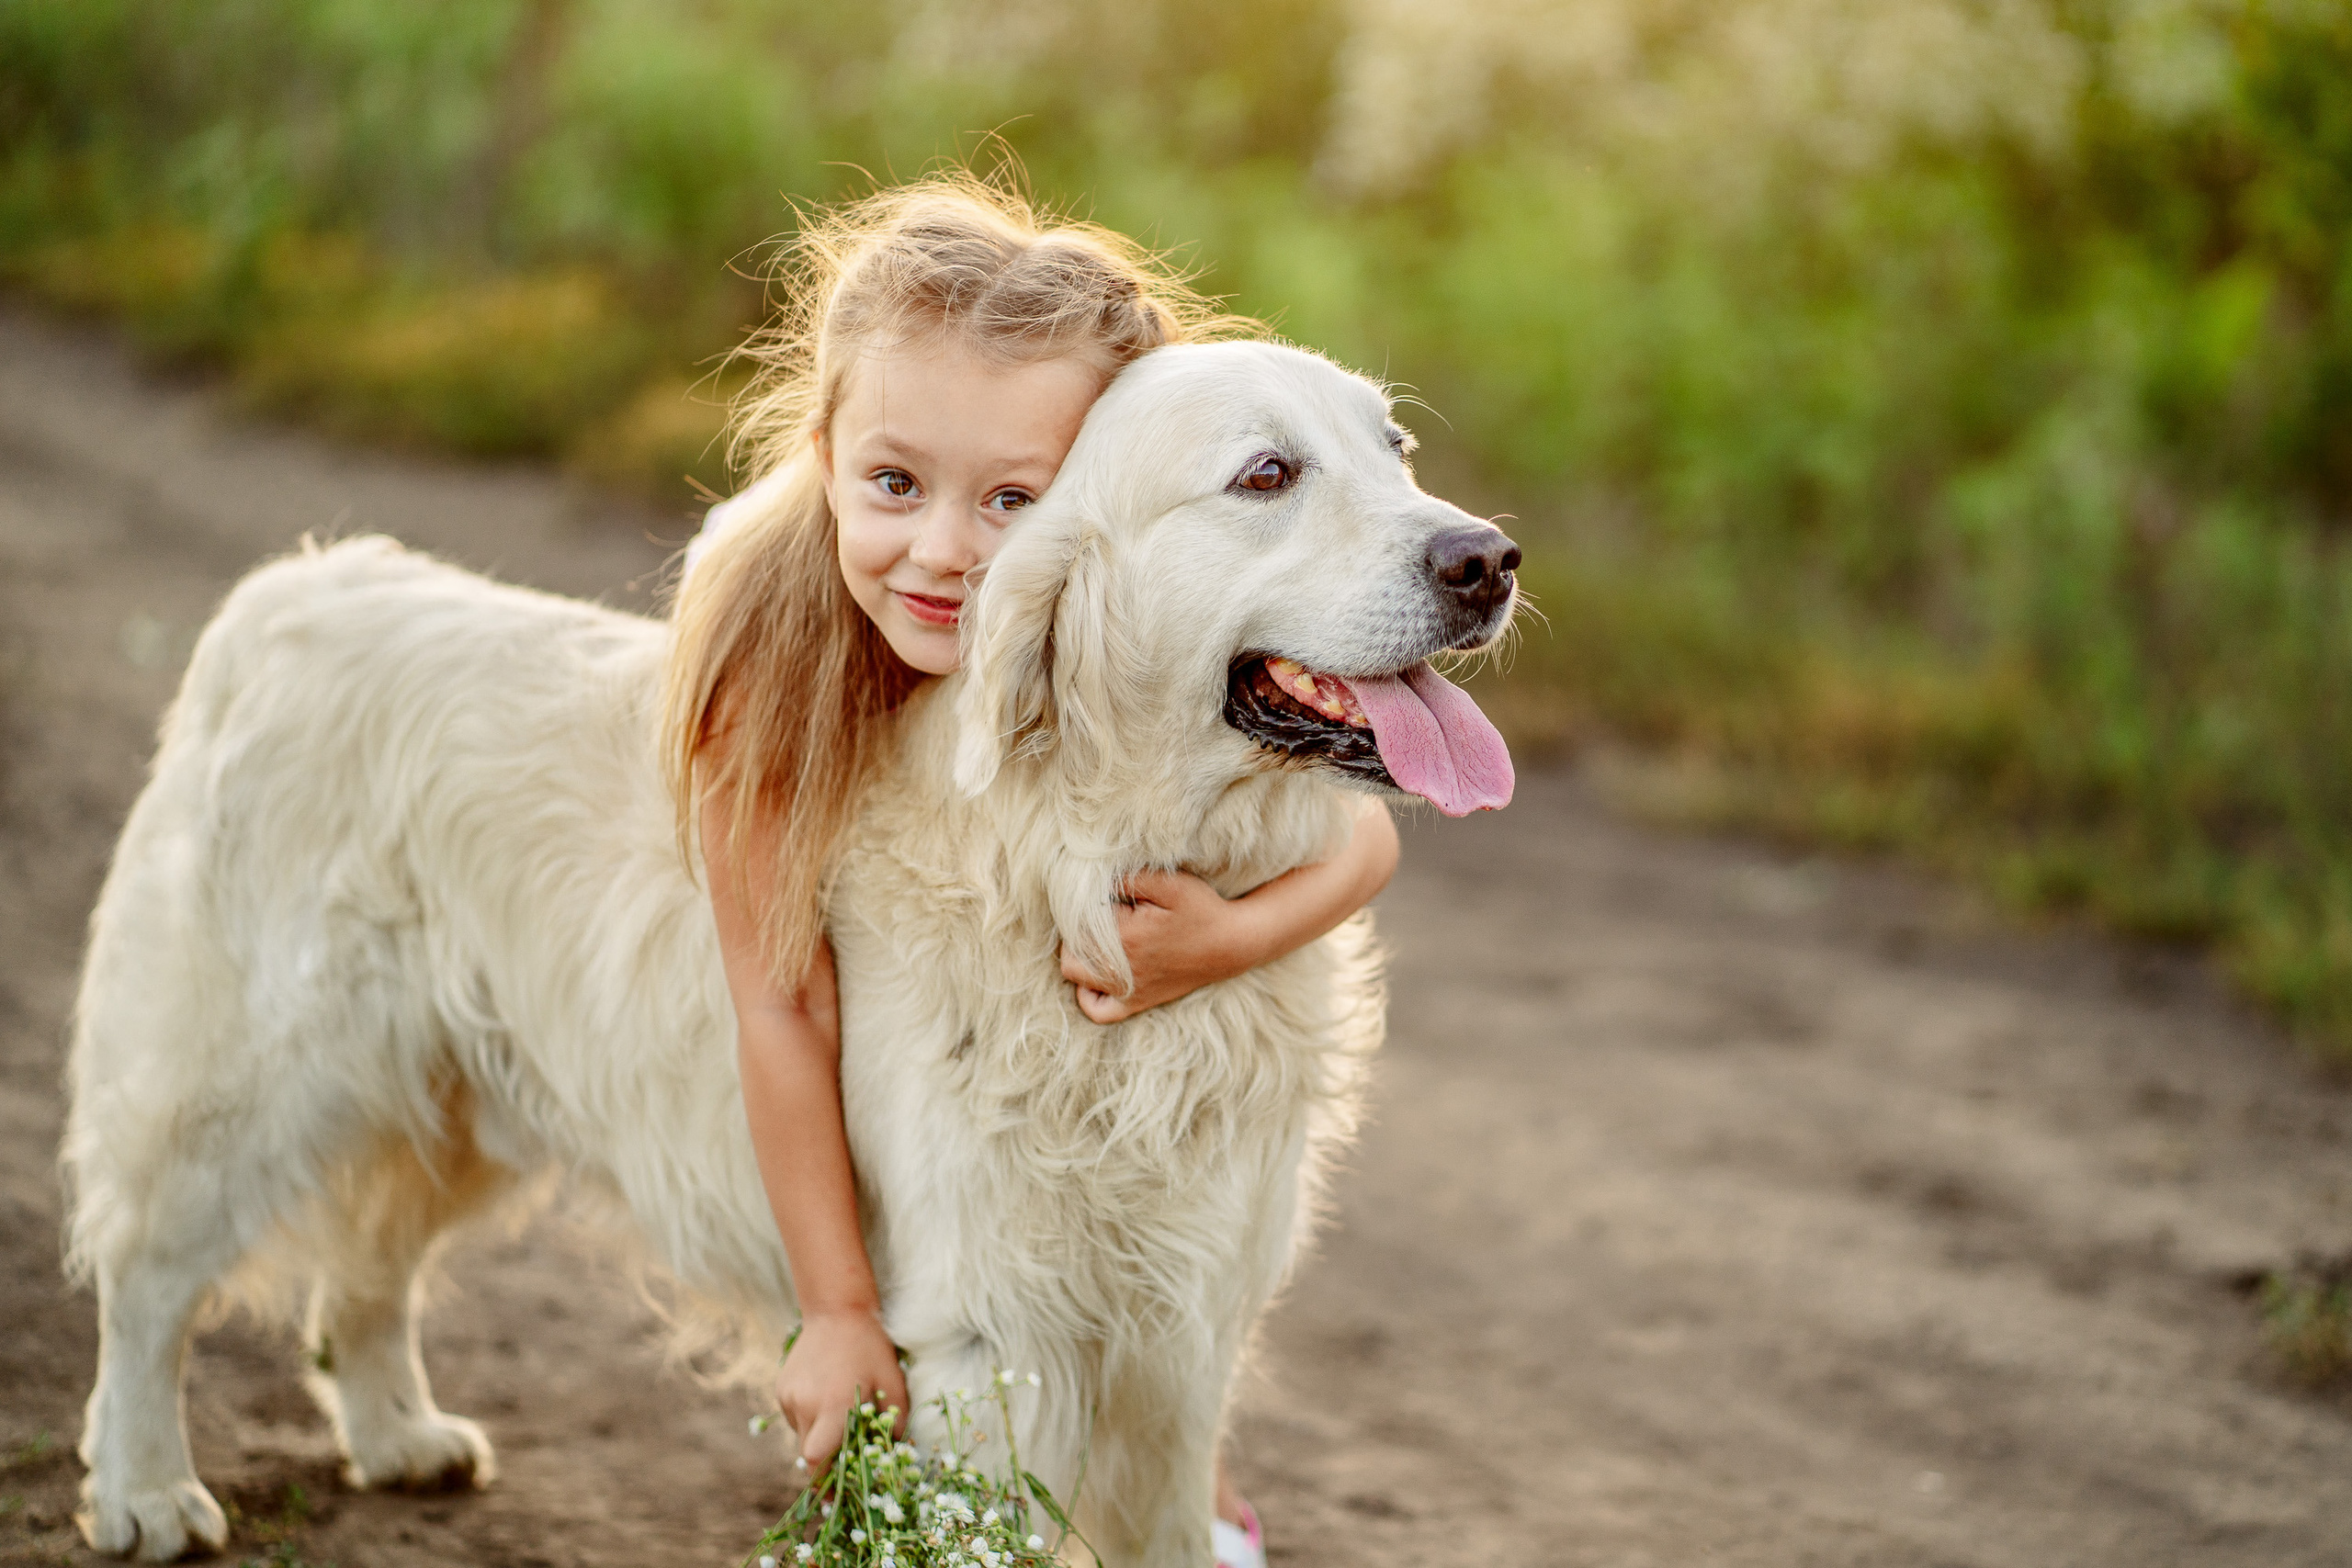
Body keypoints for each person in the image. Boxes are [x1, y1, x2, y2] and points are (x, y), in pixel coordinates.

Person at [661, 176, 1399, 1568]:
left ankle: (1177, 1484)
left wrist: (1227, 943)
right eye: (894, 482)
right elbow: (783, 1005)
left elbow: (1368, 835)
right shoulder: (775, 666)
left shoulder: (1104, 627)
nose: (944, 551)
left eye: (1015, 498)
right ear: (824, 454)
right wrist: (836, 1310)